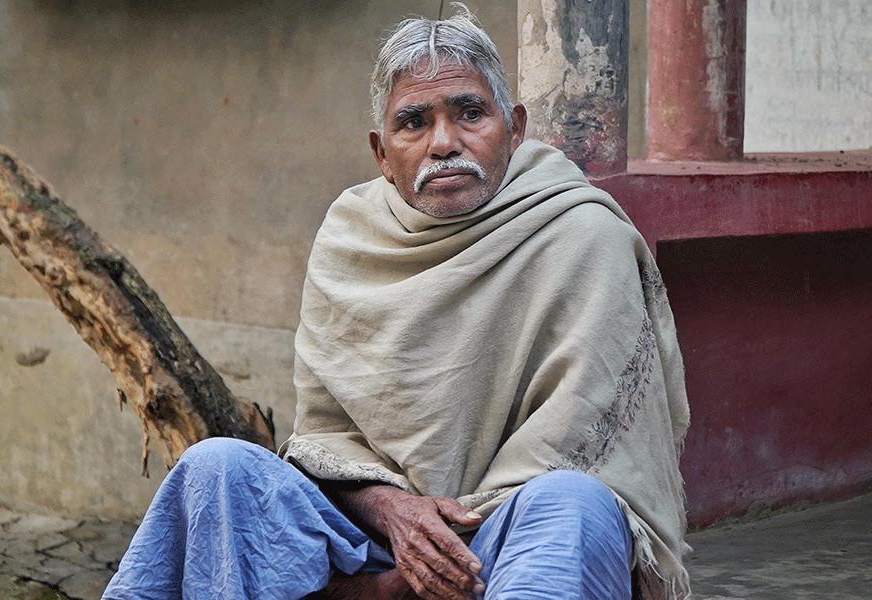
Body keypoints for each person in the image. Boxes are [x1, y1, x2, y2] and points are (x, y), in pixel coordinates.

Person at [103, 6, 690, 600]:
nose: (443, 143)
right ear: (382, 154)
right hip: (370, 546)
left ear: (513, 128)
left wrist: (441, 553)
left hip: (511, 544)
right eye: (414, 122)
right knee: (218, 469)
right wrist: (396, 518)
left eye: (469, 113)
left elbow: (590, 446)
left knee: (575, 502)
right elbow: (324, 444)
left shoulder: (583, 235)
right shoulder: (349, 239)